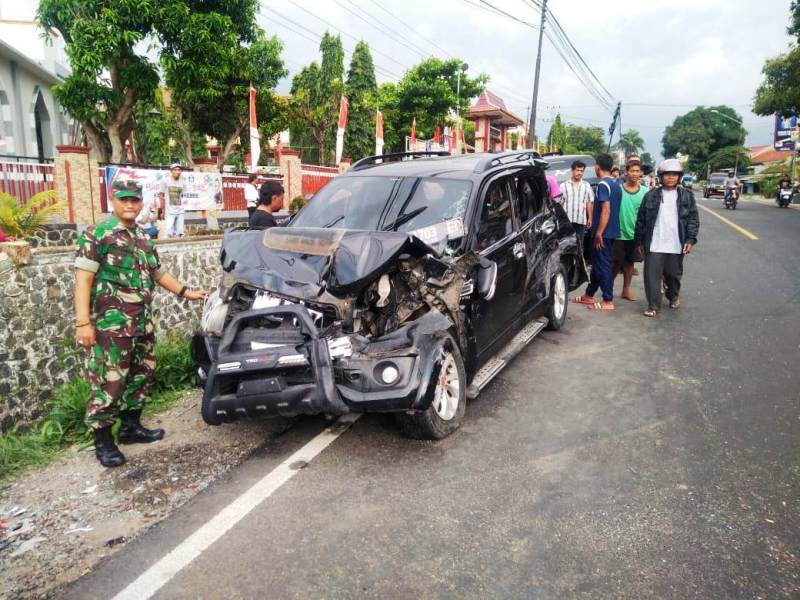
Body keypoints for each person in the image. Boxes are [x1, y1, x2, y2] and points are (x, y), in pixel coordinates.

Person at [74, 180, 207, 468]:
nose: (130, 204)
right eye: (124, 199)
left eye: (135, 199)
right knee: (109, 381)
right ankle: (103, 440)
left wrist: (187, 292)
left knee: (140, 375)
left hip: (141, 323)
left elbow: (159, 274)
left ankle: (130, 428)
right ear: (113, 200)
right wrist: (83, 323)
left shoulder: (143, 238)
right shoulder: (98, 235)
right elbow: (83, 279)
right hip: (111, 326)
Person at [634, 158, 699, 317]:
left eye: (674, 175)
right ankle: (653, 305)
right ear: (661, 176)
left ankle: (673, 295)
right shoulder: (650, 196)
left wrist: (690, 240)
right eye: (667, 174)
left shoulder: (686, 196)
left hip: (676, 243)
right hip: (655, 242)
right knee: (651, 276)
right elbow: (641, 220)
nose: (671, 177)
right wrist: (639, 241)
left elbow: (693, 219)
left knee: (673, 275)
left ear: (679, 176)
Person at [572, 153, 622, 311]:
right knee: (597, 264)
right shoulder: (616, 185)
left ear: (597, 167)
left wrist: (599, 232)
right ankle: (589, 294)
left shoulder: (603, 185)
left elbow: (606, 210)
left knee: (603, 266)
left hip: (603, 234)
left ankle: (608, 300)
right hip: (611, 231)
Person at [612, 157, 647, 301]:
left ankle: (626, 290)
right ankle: (608, 289)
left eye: (637, 171)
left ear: (641, 174)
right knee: (614, 263)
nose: (634, 173)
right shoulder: (618, 190)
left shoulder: (645, 192)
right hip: (618, 234)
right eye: (632, 171)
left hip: (635, 235)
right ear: (625, 173)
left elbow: (647, 215)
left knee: (629, 263)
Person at [558, 160, 594, 250]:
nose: (580, 173)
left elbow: (589, 202)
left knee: (579, 245)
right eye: (577, 170)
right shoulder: (563, 186)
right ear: (572, 171)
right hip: (567, 221)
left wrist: (590, 218)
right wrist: (560, 219)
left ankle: (579, 263)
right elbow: (560, 203)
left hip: (581, 220)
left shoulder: (587, 185)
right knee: (566, 245)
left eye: (582, 171)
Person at [161, 163, 186, 238]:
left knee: (180, 233)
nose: (177, 172)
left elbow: (182, 196)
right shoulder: (165, 181)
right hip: (169, 211)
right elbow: (161, 196)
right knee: (168, 233)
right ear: (171, 171)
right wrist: (162, 210)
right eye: (175, 170)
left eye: (179, 170)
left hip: (180, 210)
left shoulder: (183, 182)